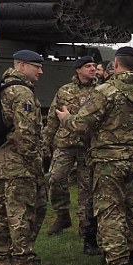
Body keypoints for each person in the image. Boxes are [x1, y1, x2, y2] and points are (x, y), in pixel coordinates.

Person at [56, 46, 133, 265]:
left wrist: (65, 119)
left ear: (116, 64)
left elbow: (82, 124)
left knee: (110, 213)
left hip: (108, 162)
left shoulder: (106, 91)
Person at [0, 49, 51, 265]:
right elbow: (26, 135)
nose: (41, 71)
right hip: (19, 165)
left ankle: (0, 261)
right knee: (21, 212)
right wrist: (36, 164)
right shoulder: (22, 93)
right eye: (37, 66)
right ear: (22, 65)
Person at [44, 56, 98, 254]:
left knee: (87, 188)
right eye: (88, 66)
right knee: (55, 179)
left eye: (94, 66)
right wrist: (45, 142)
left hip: (88, 146)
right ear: (78, 70)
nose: (92, 69)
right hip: (64, 144)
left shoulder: (100, 91)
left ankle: (86, 226)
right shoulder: (65, 91)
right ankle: (62, 215)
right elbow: (52, 118)